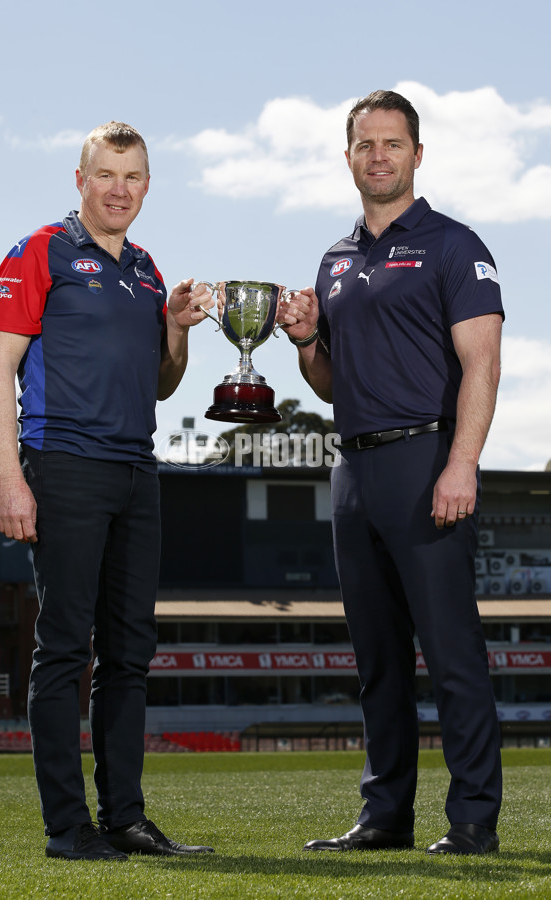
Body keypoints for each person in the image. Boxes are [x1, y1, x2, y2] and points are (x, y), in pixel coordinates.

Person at [0, 121, 215, 861]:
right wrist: (10, 477)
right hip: (64, 464)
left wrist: (177, 329)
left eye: (134, 176)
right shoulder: (39, 251)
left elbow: (161, 382)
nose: (120, 189)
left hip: (136, 470)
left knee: (128, 654)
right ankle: (66, 828)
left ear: (148, 185)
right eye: (106, 174)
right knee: (62, 649)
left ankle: (125, 820)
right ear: (80, 180)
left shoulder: (146, 271)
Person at [282, 91, 503, 855]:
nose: (379, 156)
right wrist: (308, 342)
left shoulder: (453, 244)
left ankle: (473, 819)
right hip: (353, 467)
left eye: (393, 143)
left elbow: (483, 363)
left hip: (427, 461)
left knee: (451, 654)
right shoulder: (335, 261)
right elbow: (332, 384)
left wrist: (462, 463)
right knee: (377, 659)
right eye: (365, 144)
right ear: (348, 157)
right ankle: (385, 817)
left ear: (417, 153)